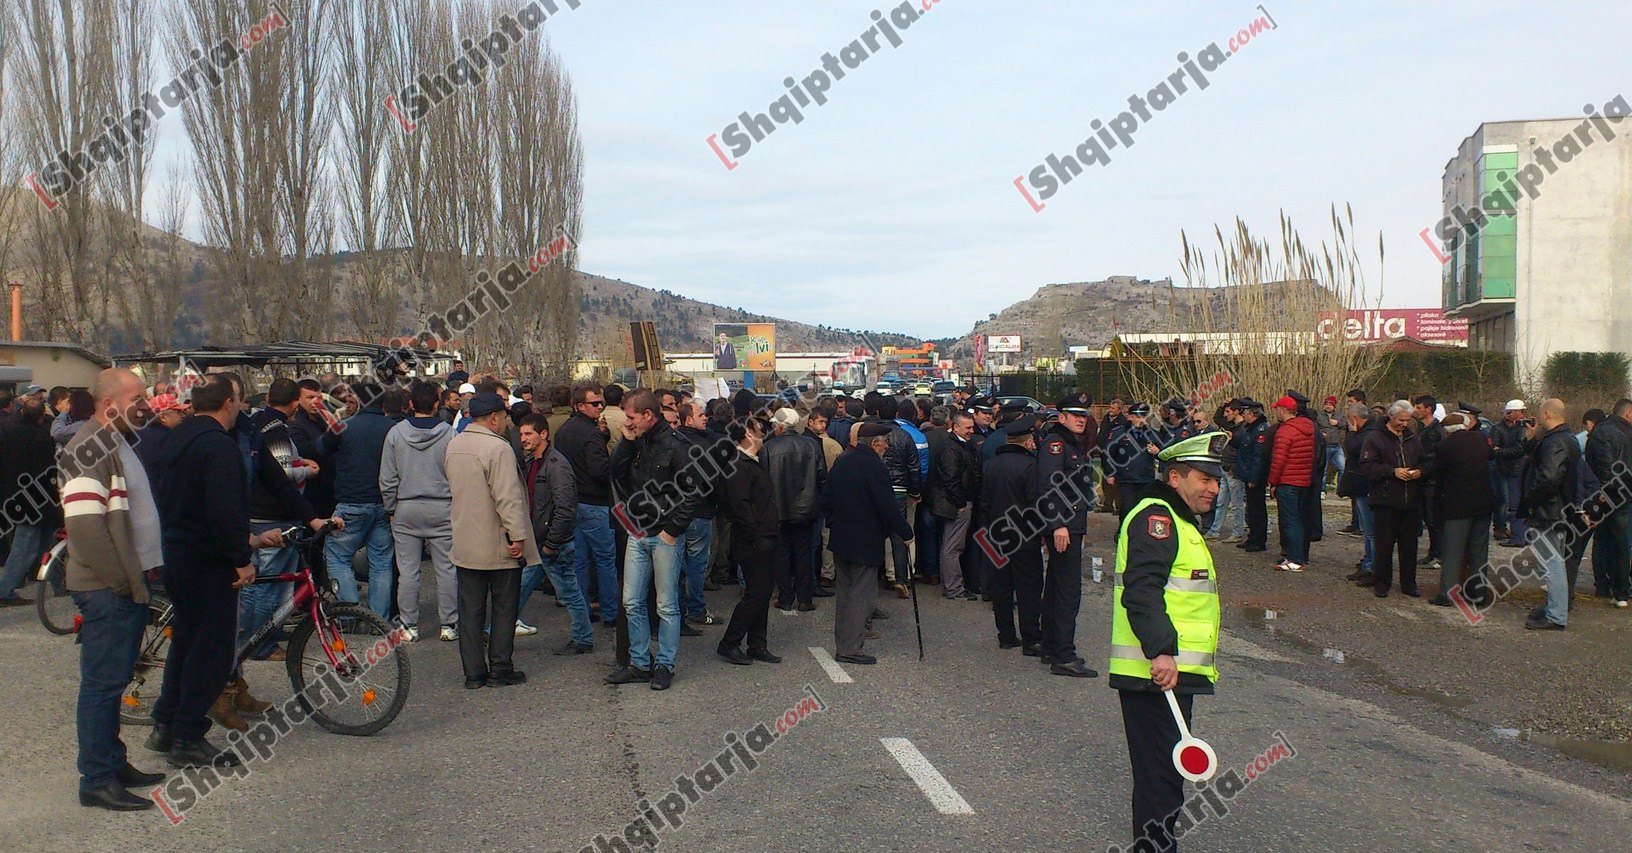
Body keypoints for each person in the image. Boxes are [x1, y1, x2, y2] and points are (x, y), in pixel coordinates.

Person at [147, 378, 278, 768]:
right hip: (207, 561)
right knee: (211, 653)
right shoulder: (217, 446)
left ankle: (165, 723)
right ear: (227, 403)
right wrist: (241, 557)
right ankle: (187, 735)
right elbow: (223, 510)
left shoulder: (175, 437)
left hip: (177, 552)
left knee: (186, 644)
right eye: (238, 401)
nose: (241, 407)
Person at [1109, 432, 1226, 853]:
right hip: (1156, 673)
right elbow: (1141, 589)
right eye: (1205, 478)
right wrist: (1161, 650)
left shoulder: (1175, 519)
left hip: (1169, 671)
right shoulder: (1156, 519)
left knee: (1166, 781)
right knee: (1161, 783)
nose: (1214, 488)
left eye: (1217, 480)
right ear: (1174, 477)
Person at [59, 369, 168, 811]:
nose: (147, 403)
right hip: (108, 589)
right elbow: (86, 530)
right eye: (138, 396)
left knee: (115, 681)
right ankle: (97, 780)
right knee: (103, 686)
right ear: (110, 405)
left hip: (124, 586)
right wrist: (124, 583)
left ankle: (113, 761)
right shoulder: (87, 448)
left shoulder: (117, 440)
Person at [607, 389, 703, 690]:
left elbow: (693, 490)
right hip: (638, 530)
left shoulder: (677, 446)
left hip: (663, 534)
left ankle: (664, 664)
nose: (628, 422)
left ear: (648, 415)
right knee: (632, 601)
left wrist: (671, 530)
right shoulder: (637, 441)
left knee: (666, 605)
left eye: (632, 417)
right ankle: (639, 663)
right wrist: (626, 440)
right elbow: (615, 473)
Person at [447, 392, 539, 688]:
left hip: (465, 538)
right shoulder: (497, 449)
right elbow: (507, 498)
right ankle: (500, 667)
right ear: (495, 417)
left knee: (470, 610)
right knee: (503, 607)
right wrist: (518, 535)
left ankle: (473, 673)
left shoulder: (455, 445)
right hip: (498, 540)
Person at [820, 421, 913, 665]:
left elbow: (825, 498)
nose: (887, 447)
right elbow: (887, 506)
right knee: (861, 596)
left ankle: (844, 641)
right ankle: (850, 648)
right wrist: (905, 532)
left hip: (841, 537)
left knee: (845, 594)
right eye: (885, 442)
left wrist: (834, 522)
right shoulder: (875, 467)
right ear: (874, 443)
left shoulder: (844, 460)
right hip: (865, 540)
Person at [379, 380, 458, 642]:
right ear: (437, 404)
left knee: (408, 570)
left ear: (410, 404)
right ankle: (449, 624)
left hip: (407, 507)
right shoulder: (449, 433)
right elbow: (456, 473)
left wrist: (391, 506)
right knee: (446, 569)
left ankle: (409, 625)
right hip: (443, 506)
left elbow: (387, 478)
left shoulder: (395, 433)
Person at [516, 413, 594, 654]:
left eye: (528, 434)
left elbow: (565, 507)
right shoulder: (533, 461)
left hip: (553, 543)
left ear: (543, 434)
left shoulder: (556, 465)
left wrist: (551, 543)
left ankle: (583, 639)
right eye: (521, 434)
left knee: (569, 591)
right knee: (518, 588)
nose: (523, 439)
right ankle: (495, 630)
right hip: (539, 541)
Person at [319, 383, 396, 615]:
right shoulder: (393, 429)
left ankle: (350, 613)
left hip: (351, 502)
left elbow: (321, 449)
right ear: (382, 404)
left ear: (356, 402)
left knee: (337, 556)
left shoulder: (344, 426)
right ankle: (378, 619)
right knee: (381, 562)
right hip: (384, 503)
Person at [1035, 393, 1097, 678]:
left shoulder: (1072, 443)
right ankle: (1063, 654)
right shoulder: (1056, 444)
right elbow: (1048, 487)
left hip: (1071, 523)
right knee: (1067, 591)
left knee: (1058, 586)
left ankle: (1051, 645)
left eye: (1083, 416)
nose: (1080, 420)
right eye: (1075, 415)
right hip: (1064, 525)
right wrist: (1057, 524)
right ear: (1061, 417)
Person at [717, 415, 783, 665]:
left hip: (764, 535)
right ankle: (730, 642)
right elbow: (739, 506)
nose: (765, 432)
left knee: (763, 592)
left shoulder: (750, 462)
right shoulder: (738, 464)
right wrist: (756, 536)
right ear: (748, 433)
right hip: (753, 540)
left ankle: (757, 643)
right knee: (756, 593)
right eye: (760, 428)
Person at [557, 382, 618, 629]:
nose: (600, 407)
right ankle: (612, 613)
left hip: (574, 502)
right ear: (580, 405)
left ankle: (581, 613)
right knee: (605, 559)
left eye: (601, 402)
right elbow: (600, 470)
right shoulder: (589, 433)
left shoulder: (564, 431)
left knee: (579, 561)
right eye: (595, 403)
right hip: (594, 502)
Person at [983, 413, 1044, 653]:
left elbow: (985, 502)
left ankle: (1006, 635)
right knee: (1028, 587)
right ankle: (1031, 638)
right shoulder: (1030, 466)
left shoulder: (991, 464)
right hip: (1024, 536)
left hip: (997, 532)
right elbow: (1034, 503)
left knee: (1002, 587)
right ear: (1027, 441)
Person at [1424, 413, 1496, 606]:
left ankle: (1448, 594)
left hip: (1458, 504)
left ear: (1447, 431)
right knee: (1478, 552)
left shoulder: (1446, 446)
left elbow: (1439, 474)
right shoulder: (1481, 439)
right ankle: (1478, 594)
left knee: (1453, 551)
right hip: (1483, 503)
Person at [1520, 398, 1579, 630]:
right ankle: (1555, 608)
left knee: (1552, 563)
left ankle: (1556, 615)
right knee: (1554, 562)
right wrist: (1532, 439)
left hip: (1550, 510)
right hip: (1559, 508)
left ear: (1546, 414)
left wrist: (1529, 498)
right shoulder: (1568, 439)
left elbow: (1549, 477)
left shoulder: (1556, 442)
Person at [763, 407, 827, 613]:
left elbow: (763, 481)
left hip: (778, 511)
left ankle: (785, 597)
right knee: (803, 554)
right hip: (806, 510)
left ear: (780, 425)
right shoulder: (811, 445)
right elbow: (822, 476)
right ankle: (805, 598)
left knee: (782, 556)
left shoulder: (769, 447)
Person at [1358, 401, 1424, 598]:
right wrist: (1392, 472)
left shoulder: (1413, 438)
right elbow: (1367, 467)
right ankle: (1382, 582)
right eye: (1401, 420)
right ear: (1391, 417)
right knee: (1384, 545)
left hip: (1410, 500)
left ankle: (1409, 583)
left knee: (1409, 546)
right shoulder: (1375, 438)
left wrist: (1420, 471)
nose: (1404, 424)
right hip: (1385, 499)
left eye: (1407, 420)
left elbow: (1424, 460)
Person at [0, 395, 60, 605]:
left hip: (14, 494)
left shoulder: (8, 432)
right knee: (25, 546)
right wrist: (54, 500)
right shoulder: (41, 438)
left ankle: (59, 583)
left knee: (45, 542)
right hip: (35, 498)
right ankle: (4, 590)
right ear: (42, 416)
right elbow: (47, 471)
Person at [676, 402, 726, 627]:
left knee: (679, 565)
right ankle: (695, 609)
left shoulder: (675, 442)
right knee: (696, 564)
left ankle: (678, 608)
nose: (706, 418)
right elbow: (713, 480)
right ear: (688, 420)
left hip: (678, 512)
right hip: (699, 511)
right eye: (701, 414)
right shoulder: (704, 445)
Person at [1585, 399, 1632, 606]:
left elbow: (1598, 463)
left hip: (1604, 493)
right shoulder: (1622, 434)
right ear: (1628, 414)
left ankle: (1603, 586)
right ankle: (1621, 591)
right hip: (1619, 494)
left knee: (1602, 540)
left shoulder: (1600, 432)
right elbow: (1609, 467)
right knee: (1620, 543)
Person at [933, 411, 981, 600]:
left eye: (972, 427)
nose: (972, 431)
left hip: (955, 502)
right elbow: (951, 478)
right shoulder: (952, 448)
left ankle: (951, 585)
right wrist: (961, 503)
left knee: (950, 545)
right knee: (953, 547)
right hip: (956, 504)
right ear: (956, 426)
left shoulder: (959, 445)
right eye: (968, 427)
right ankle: (954, 588)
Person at [882, 398, 925, 599]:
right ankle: (901, 578)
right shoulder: (905, 436)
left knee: (874, 532)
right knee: (899, 533)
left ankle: (874, 575)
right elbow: (914, 467)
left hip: (878, 488)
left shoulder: (872, 433)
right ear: (896, 414)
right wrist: (915, 492)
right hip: (900, 489)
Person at [1267, 395, 1315, 572]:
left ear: (1283, 410)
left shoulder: (1285, 431)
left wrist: (1272, 482)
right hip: (1302, 480)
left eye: (1277, 409)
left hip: (1287, 481)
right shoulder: (1308, 428)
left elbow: (1278, 460)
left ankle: (1294, 559)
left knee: (1289, 521)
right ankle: (1299, 556)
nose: (1276, 413)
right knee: (1298, 520)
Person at [1337, 404, 1379, 586]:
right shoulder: (1369, 431)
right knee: (1368, 530)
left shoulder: (1367, 434)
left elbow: (1354, 450)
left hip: (1365, 486)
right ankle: (1368, 561)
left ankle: (1372, 565)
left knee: (1371, 530)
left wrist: (1352, 433)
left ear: (1354, 418)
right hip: (1360, 485)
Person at [288, 378, 338, 517]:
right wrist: (330, 435)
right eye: (310, 397)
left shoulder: (322, 418)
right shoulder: (295, 423)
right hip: (311, 491)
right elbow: (303, 450)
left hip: (330, 488)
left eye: (318, 398)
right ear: (298, 398)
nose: (315, 402)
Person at [1412, 395, 1446, 569]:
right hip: (1421, 479)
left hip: (1431, 481)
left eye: (1419, 407)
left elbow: (1437, 457)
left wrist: (1422, 471)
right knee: (1427, 517)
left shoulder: (1437, 431)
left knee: (1433, 519)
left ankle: (1439, 553)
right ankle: (1433, 552)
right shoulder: (1421, 429)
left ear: (1428, 409)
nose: (1416, 410)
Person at [1232, 399, 1270, 554]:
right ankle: (1252, 538)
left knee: (1257, 510)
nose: (1243, 416)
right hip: (1247, 474)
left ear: (1251, 414)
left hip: (1256, 477)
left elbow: (1259, 458)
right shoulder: (1250, 429)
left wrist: (1254, 479)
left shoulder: (1260, 430)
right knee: (1252, 509)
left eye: (1245, 413)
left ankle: (1258, 541)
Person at [1493, 400, 1530, 546]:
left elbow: (1520, 449)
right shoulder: (1499, 428)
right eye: (1519, 411)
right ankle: (1506, 530)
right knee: (1504, 501)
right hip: (1505, 469)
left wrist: (1502, 451)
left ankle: (1519, 535)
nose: (1522, 414)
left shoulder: (1522, 427)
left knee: (1515, 503)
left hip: (1517, 469)